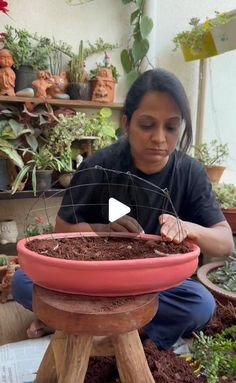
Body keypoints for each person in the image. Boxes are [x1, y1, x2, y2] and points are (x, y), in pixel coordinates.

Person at [12, 68, 234, 346]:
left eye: (171, 126)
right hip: (97, 278)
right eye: (147, 125)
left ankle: (80, 323)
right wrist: (101, 230)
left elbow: (225, 243)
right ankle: (118, 326)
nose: (159, 138)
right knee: (22, 281)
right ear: (127, 123)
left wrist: (187, 228)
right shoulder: (99, 165)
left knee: (200, 303)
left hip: (154, 287)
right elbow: (62, 229)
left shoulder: (190, 173)